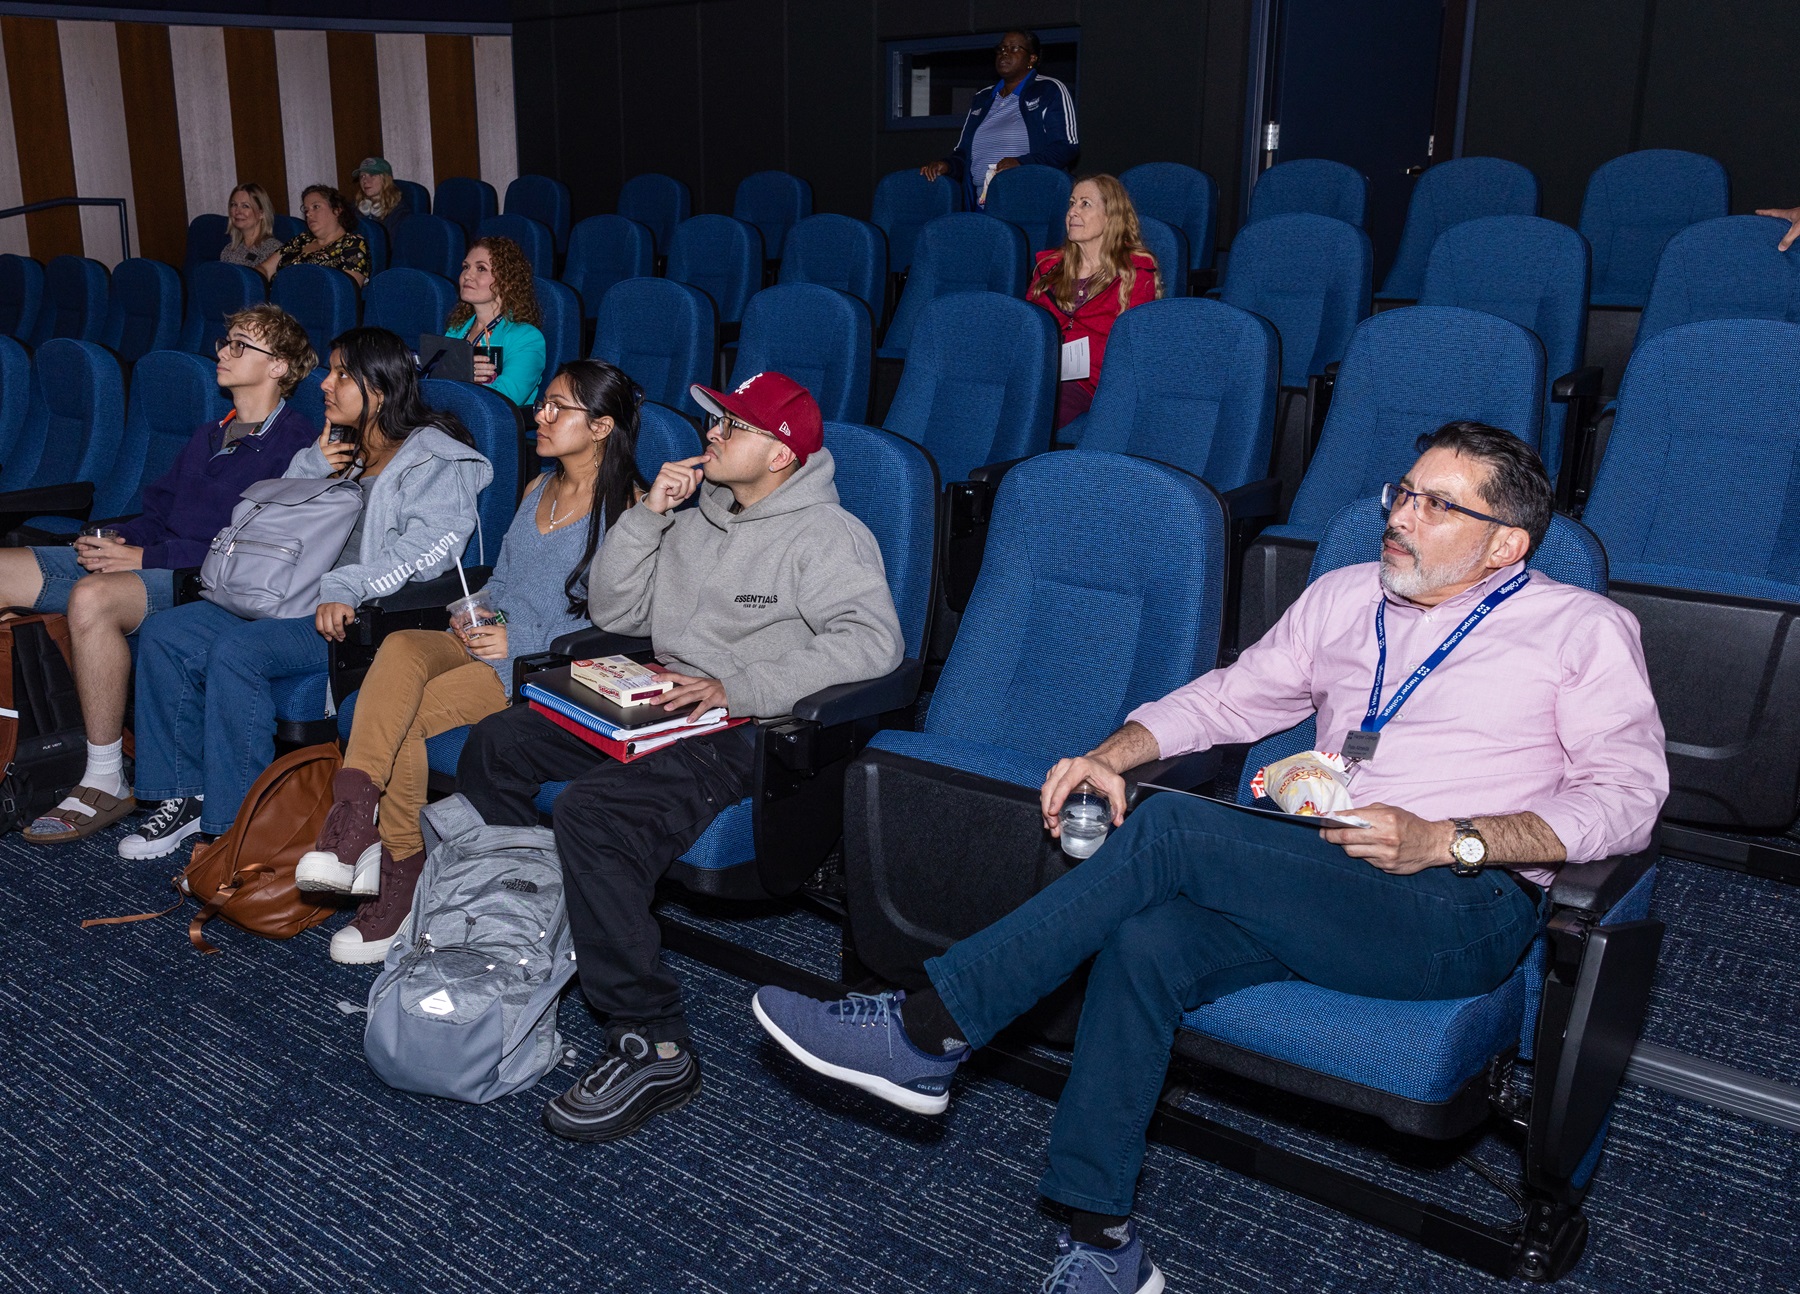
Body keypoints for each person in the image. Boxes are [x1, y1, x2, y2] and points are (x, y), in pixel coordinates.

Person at [750, 423, 1669, 1293]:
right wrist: (1113, 753)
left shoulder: (1579, 629)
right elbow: (1233, 699)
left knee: (1170, 829)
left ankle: (927, 1030)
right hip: (1319, 867)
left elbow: (1628, 801)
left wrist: (1453, 839)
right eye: (1404, 492)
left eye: (1437, 506)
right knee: (1148, 942)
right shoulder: (1347, 595)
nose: (1399, 516)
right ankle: (1099, 1236)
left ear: (1506, 545)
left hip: (1457, 903)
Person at [455, 371, 903, 1144]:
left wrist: (738, 686)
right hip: (659, 697)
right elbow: (615, 612)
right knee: (499, 741)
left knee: (596, 813)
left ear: (781, 455)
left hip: (748, 725)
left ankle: (652, 1039)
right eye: (715, 422)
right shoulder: (695, 518)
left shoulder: (829, 537)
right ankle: (531, 931)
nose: (711, 435)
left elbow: (872, 645)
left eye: (732, 427)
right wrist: (648, 520)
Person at [298, 359, 642, 965]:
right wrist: (474, 609)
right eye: (545, 404)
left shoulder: (629, 511)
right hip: (484, 638)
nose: (541, 415)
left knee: (400, 716)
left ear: (601, 426)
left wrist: (517, 643)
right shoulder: (539, 487)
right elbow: (505, 579)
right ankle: (353, 825)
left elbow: (617, 623)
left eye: (559, 408)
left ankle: (400, 875)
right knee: (401, 647)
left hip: (534, 668)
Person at [121, 327, 492, 862]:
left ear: (380, 390)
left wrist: (349, 586)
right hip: (292, 596)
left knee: (239, 652)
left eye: (343, 374)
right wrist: (312, 465)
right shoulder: (342, 448)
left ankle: (235, 831)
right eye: (330, 371)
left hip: (364, 618)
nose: (326, 384)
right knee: (166, 632)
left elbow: (431, 550)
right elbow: (275, 516)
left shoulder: (435, 459)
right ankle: (183, 794)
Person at [0, 306, 319, 843]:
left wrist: (145, 559)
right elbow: (157, 511)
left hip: (205, 582)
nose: (222, 352)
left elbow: (248, 550)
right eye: (226, 341)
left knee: (92, 598)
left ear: (279, 367)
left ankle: (105, 775)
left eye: (241, 346)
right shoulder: (209, 434)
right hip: (154, 559)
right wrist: (119, 540)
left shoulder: (295, 447)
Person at [1028, 174, 1161, 430]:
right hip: (1044, 370)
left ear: (1111, 216)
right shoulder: (1049, 267)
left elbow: (1133, 349)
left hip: (1094, 382)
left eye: (1085, 204)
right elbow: (1030, 328)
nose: (1072, 212)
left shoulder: (1134, 273)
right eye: (1071, 203)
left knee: (1032, 403)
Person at [919, 30, 1078, 210]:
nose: (1004, 53)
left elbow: (1066, 147)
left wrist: (1022, 163)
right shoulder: (982, 98)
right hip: (983, 204)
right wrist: (947, 165)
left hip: (1030, 201)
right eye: (1001, 48)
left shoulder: (1049, 89)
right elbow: (965, 153)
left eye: (1014, 48)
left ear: (1032, 59)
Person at [443, 237, 548, 408]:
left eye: (481, 268)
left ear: (506, 281)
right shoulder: (455, 331)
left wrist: (459, 377)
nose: (467, 275)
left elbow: (505, 402)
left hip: (493, 429)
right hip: (449, 420)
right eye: (465, 267)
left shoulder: (526, 337)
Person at [259, 185, 372, 288]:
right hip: (277, 301)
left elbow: (347, 290)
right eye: (306, 209)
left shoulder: (353, 244)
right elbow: (265, 269)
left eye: (316, 207)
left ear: (337, 210)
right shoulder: (301, 240)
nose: (308, 214)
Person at [219, 183, 281, 269]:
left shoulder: (274, 250)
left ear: (261, 213)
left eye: (245, 206)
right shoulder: (228, 251)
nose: (237, 211)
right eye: (234, 205)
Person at [351, 157, 411, 236]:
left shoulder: (399, 213)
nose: (365, 181)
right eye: (362, 176)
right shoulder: (355, 208)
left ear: (385, 179)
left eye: (372, 175)